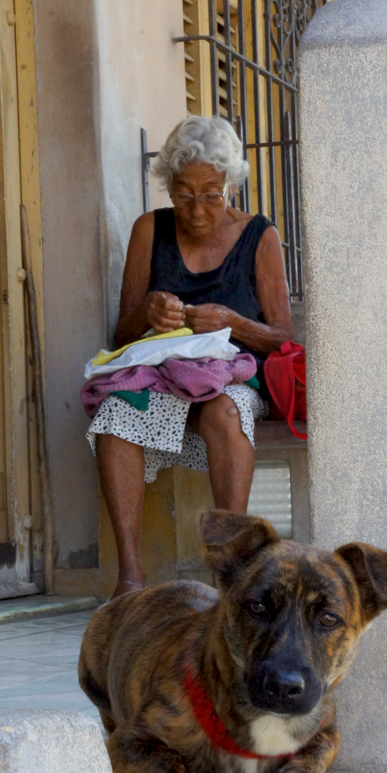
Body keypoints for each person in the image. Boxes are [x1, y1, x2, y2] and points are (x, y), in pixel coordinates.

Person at [87, 116, 292, 598]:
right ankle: (131, 577)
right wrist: (149, 311)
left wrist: (232, 323)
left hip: (232, 376)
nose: (197, 209)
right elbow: (122, 332)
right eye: (184, 195)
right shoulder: (148, 230)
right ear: (169, 188)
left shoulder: (260, 236)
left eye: (211, 195)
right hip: (161, 376)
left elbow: (282, 335)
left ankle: (234, 569)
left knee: (226, 410)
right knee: (116, 411)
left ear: (230, 187)